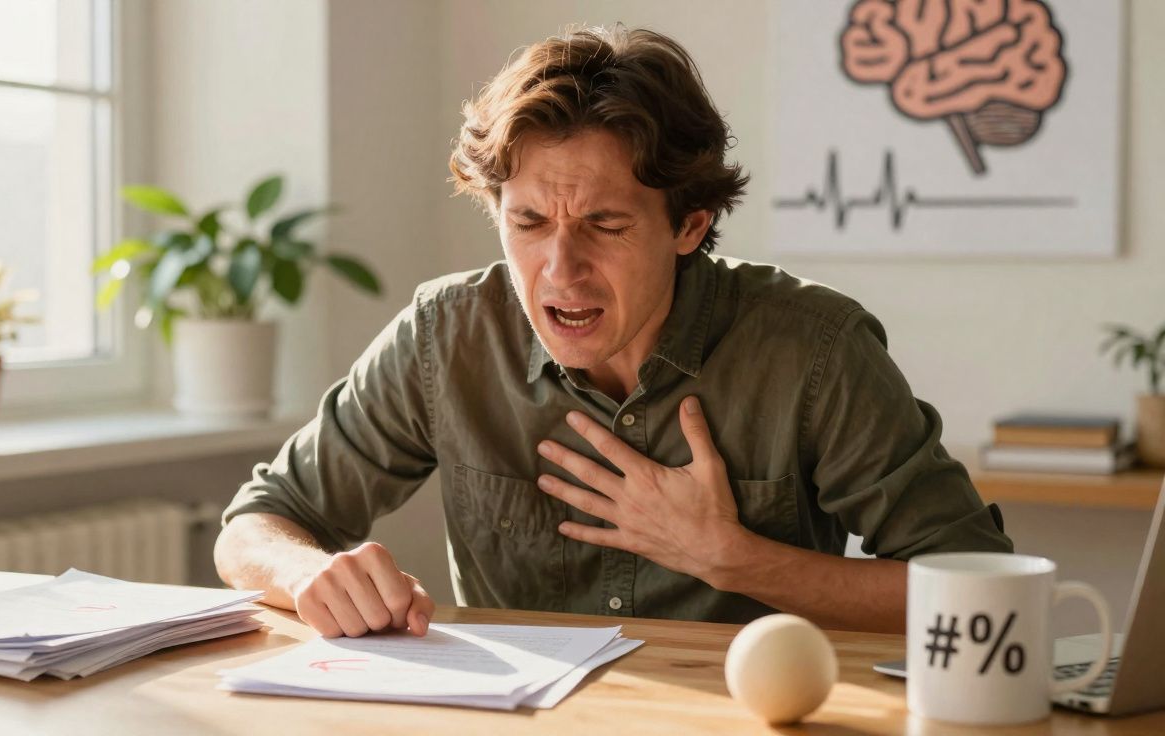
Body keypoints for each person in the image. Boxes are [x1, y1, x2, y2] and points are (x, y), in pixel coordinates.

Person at [213, 25, 1012, 638]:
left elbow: (984, 590)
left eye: (604, 224)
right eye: (528, 221)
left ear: (689, 225)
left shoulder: (814, 351)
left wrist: (734, 558)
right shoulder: (444, 336)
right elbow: (258, 521)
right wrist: (309, 572)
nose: (561, 268)